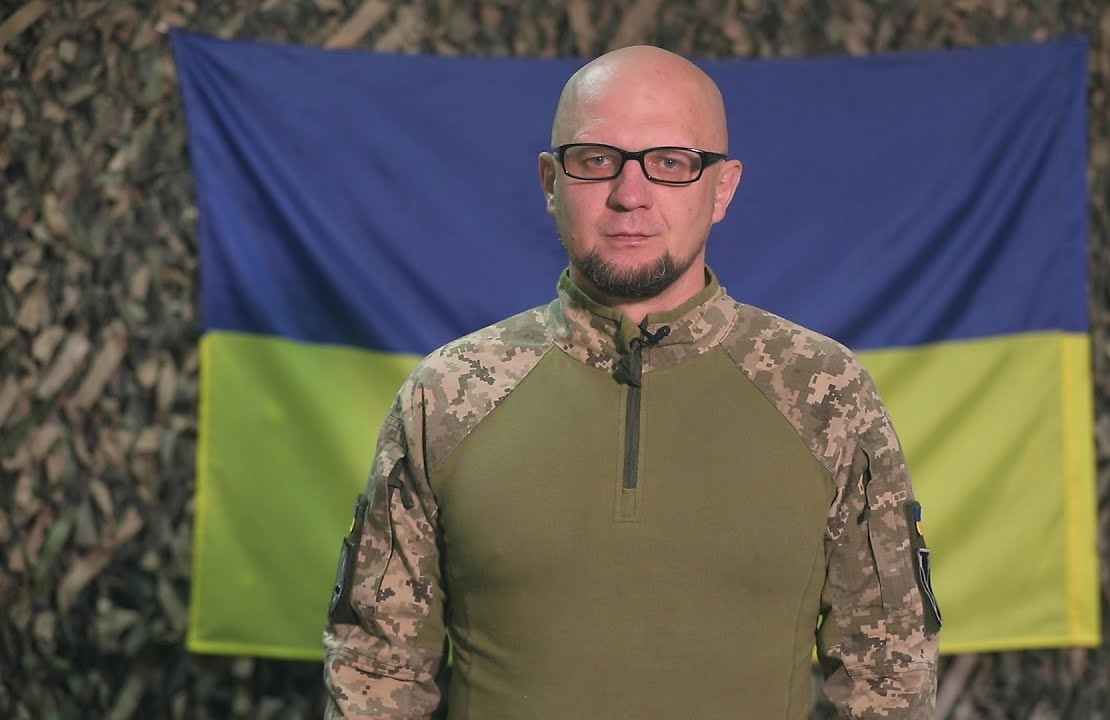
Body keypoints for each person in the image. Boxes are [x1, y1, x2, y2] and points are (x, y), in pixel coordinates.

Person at [322, 45, 941, 719]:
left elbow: (890, 675)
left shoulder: (826, 392)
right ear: (550, 181)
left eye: (671, 163)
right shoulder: (445, 395)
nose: (630, 194)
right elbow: (374, 675)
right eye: (596, 160)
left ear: (722, 188)